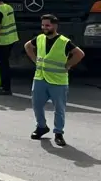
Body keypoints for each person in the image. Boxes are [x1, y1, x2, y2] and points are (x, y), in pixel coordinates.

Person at [24, 13, 85, 147]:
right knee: (36, 105)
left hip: (58, 81)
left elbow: (80, 54)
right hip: (40, 78)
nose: (44, 27)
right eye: (43, 25)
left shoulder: (64, 42)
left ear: (55, 26)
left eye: (47, 25)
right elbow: (27, 46)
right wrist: (35, 60)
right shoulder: (39, 38)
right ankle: (41, 127)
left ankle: (58, 133)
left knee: (59, 109)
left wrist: (68, 65)